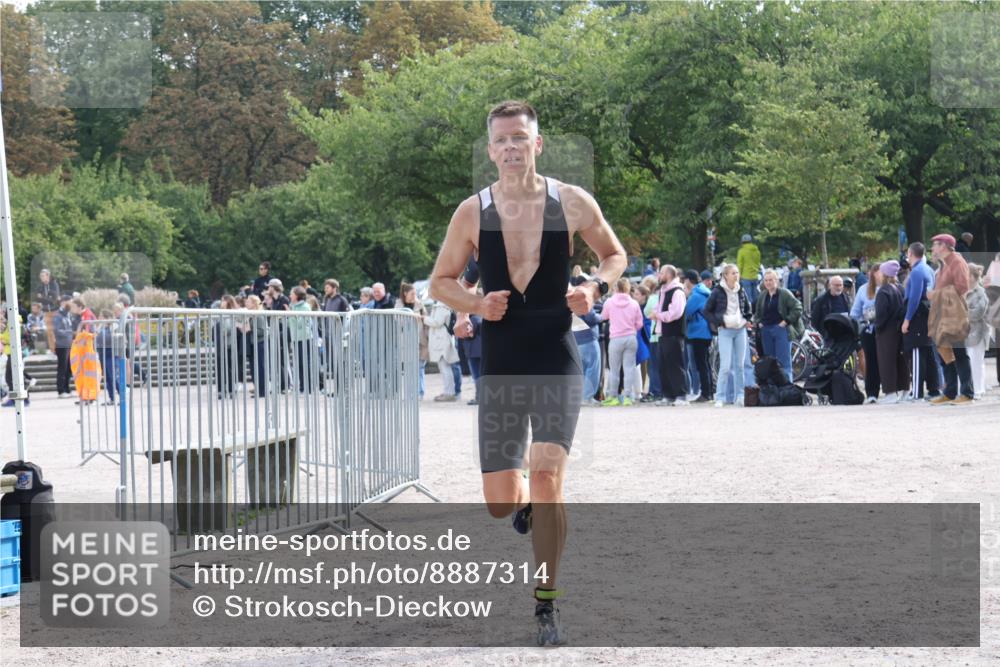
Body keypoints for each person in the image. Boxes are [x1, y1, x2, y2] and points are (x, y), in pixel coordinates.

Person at [428, 100, 627, 644]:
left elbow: (614, 255)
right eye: (502, 140)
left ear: (537, 144)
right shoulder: (472, 211)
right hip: (501, 361)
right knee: (500, 502)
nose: (511, 147)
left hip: (556, 354)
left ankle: (546, 603)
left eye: (520, 137)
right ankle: (525, 511)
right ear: (491, 151)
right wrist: (475, 304)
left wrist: (595, 287)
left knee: (546, 478)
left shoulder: (572, 201)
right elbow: (440, 281)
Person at [928, 233, 974, 404]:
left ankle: (967, 393)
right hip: (943, 315)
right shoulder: (944, 264)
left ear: (944, 246)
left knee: (960, 353)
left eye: (935, 245)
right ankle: (950, 392)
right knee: (944, 354)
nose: (932, 248)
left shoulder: (957, 262)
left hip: (954, 315)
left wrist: (936, 294)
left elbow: (963, 287)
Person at [703, 264, 752, 407]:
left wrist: (746, 320)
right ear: (725, 275)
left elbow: (748, 308)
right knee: (725, 366)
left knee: (740, 365)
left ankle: (740, 396)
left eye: (737, 273)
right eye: (733, 273)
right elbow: (706, 311)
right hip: (725, 331)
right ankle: (720, 397)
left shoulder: (741, 289)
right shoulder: (717, 291)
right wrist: (719, 322)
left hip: (740, 330)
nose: (736, 275)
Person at [902, 242, 941, 401]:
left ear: (911, 254)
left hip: (918, 315)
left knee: (917, 351)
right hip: (928, 313)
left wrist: (907, 319)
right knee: (929, 353)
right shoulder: (929, 269)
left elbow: (914, 298)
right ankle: (934, 388)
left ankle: (917, 392)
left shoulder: (917, 271)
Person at [599, 277, 643, 406]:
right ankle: (628, 397)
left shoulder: (609, 302)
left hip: (616, 338)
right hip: (630, 337)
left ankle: (613, 396)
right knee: (629, 368)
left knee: (614, 370)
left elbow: (603, 317)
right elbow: (639, 324)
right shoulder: (634, 303)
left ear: (616, 288)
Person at [753, 269, 802, 382]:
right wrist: (759, 322)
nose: (768, 282)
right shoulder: (762, 295)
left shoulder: (784, 293)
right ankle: (773, 388)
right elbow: (757, 312)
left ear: (776, 280)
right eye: (766, 280)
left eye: (771, 280)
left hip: (781, 330)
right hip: (766, 331)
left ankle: (787, 387)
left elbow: (798, 307)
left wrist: (786, 321)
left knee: (784, 362)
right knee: (769, 362)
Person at [652, 265, 689, 405]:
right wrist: (656, 314)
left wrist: (658, 315)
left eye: (661, 273)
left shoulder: (677, 291)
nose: (659, 276)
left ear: (669, 275)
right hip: (663, 333)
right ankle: (668, 396)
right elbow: (658, 307)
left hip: (674, 333)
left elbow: (675, 313)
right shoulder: (663, 290)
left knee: (675, 365)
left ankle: (681, 395)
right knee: (663, 367)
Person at [874, 261, 909, 403]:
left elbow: (881, 314)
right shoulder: (900, 288)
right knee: (902, 361)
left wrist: (877, 327)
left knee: (886, 361)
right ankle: (905, 390)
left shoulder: (883, 291)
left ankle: (890, 392)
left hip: (886, 332)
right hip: (900, 329)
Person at [850, 265, 882, 403]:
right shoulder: (863, 289)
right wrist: (861, 323)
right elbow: (855, 313)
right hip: (869, 330)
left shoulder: (889, 287)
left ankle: (892, 390)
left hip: (886, 329)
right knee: (871, 361)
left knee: (887, 360)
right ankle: (872, 393)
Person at [396, 283, 431, 399]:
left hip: (421, 341)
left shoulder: (420, 305)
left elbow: (426, 322)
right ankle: (410, 393)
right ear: (405, 293)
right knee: (409, 369)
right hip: (406, 342)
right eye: (412, 293)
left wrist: (427, 338)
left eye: (415, 293)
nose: (414, 295)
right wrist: (411, 316)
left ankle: (420, 392)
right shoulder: (398, 305)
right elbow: (397, 321)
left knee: (420, 368)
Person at [684, 268, 713, 403]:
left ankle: (705, 394)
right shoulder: (704, 291)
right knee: (705, 364)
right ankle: (709, 392)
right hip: (705, 331)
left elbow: (686, 312)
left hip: (698, 332)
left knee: (701, 365)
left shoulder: (696, 295)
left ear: (688, 281)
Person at [425, 299, 461, 402]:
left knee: (445, 367)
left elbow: (437, 322)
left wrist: (424, 318)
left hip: (442, 340)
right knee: (444, 367)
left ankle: (449, 393)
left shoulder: (441, 306)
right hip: (442, 339)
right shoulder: (443, 304)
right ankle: (448, 391)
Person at [965, 263, 989, 399]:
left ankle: (978, 390)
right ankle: (973, 388)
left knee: (976, 362)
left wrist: (962, 312)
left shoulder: (981, 293)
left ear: (974, 277)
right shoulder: (964, 291)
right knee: (970, 362)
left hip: (978, 333)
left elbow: (977, 313)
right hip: (967, 332)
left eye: (967, 274)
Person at [1, 315, 35, 407]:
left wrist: (1, 336)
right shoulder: (14, 320)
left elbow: (11, 338)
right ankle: (23, 399)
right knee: (15, 377)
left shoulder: (12, 322)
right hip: (12, 352)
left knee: (10, 378)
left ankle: (16, 399)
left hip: (13, 352)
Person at [34, 268, 62, 352]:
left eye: (43, 276)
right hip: (46, 312)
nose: (41, 278)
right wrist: (46, 298)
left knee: (57, 330)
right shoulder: (40, 286)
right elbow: (38, 298)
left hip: (55, 311)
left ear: (48, 276)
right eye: (40, 276)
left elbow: (54, 298)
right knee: (49, 331)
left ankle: (60, 348)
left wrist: (44, 297)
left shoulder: (54, 284)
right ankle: (53, 350)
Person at [53, 295, 75, 397]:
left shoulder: (68, 314)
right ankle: (61, 390)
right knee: (62, 367)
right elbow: (57, 330)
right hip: (61, 345)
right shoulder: (58, 315)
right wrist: (70, 332)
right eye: (70, 302)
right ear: (63, 302)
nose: (71, 304)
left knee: (68, 368)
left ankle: (67, 389)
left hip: (69, 344)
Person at [736, 234, 761, 302]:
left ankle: (750, 308)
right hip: (755, 276)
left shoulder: (741, 251)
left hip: (746, 277)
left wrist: (738, 276)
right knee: (755, 297)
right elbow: (758, 263)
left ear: (742, 242)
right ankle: (756, 308)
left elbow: (740, 265)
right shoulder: (757, 251)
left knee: (748, 298)